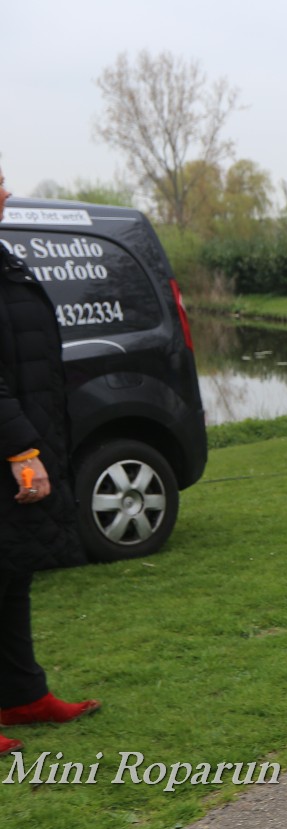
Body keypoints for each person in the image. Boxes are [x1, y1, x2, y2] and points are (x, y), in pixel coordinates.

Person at [0, 166, 101, 757]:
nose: (7, 192)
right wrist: (20, 449)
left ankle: (23, 695)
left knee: (14, 573)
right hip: (9, 443)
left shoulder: (5, 260)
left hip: (23, 433)